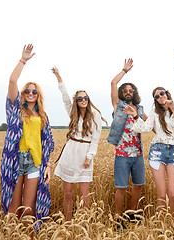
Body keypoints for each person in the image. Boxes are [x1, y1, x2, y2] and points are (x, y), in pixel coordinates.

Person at [0, 44, 55, 229]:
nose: (30, 93)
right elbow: (12, 81)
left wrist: (47, 165)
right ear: (22, 94)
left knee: (29, 208)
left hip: (34, 161)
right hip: (15, 160)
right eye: (27, 91)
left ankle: (29, 235)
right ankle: (10, 235)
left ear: (38, 95)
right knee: (14, 207)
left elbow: (48, 142)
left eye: (34, 91)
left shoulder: (43, 116)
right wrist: (23, 60)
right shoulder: (15, 110)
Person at [51, 67, 106, 221]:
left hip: (84, 154)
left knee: (84, 195)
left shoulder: (96, 115)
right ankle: (68, 223)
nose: (83, 100)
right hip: (70, 152)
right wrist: (59, 77)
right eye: (80, 98)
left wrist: (89, 157)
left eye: (85, 98)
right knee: (68, 193)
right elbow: (65, 97)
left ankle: (83, 223)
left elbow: (95, 139)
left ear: (88, 99)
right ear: (76, 101)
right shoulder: (72, 112)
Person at [123, 87, 174, 214]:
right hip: (157, 152)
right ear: (155, 100)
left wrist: (172, 108)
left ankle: (173, 225)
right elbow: (146, 128)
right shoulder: (154, 112)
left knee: (173, 195)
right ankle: (163, 226)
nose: (160, 97)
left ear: (167, 94)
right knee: (162, 195)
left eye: (161, 93)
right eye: (156, 96)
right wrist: (135, 115)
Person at [106, 59, 148, 230]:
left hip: (137, 154)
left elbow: (150, 126)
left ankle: (132, 214)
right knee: (121, 187)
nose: (128, 92)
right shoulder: (118, 106)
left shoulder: (140, 109)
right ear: (122, 93)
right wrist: (125, 70)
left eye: (131, 90)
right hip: (122, 154)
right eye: (125, 90)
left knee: (138, 185)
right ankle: (117, 218)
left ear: (134, 93)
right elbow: (113, 82)